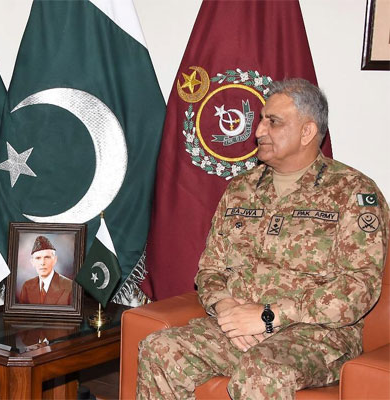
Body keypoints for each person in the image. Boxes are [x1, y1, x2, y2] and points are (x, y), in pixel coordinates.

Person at [137, 78, 389, 399]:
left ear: (307, 132)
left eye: (273, 122)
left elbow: (359, 289)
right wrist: (227, 309)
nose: (258, 131)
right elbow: (210, 269)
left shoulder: (353, 192)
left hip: (316, 336)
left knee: (262, 371)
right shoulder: (241, 189)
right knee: (159, 348)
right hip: (239, 326)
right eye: (260, 120)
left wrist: (268, 316)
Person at [18, 235, 73, 305]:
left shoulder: (68, 286)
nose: (42, 262)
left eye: (47, 257)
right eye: (38, 258)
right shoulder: (26, 285)